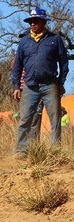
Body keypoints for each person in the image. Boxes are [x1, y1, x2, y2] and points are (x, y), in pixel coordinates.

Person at [11, 8, 69, 155]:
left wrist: (61, 82)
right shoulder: (24, 42)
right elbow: (17, 65)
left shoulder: (55, 39)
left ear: (43, 22)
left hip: (50, 85)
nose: (32, 24)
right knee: (25, 119)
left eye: (35, 21)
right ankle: (22, 151)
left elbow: (63, 63)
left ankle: (56, 151)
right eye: (31, 21)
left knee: (55, 119)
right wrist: (16, 86)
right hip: (30, 87)